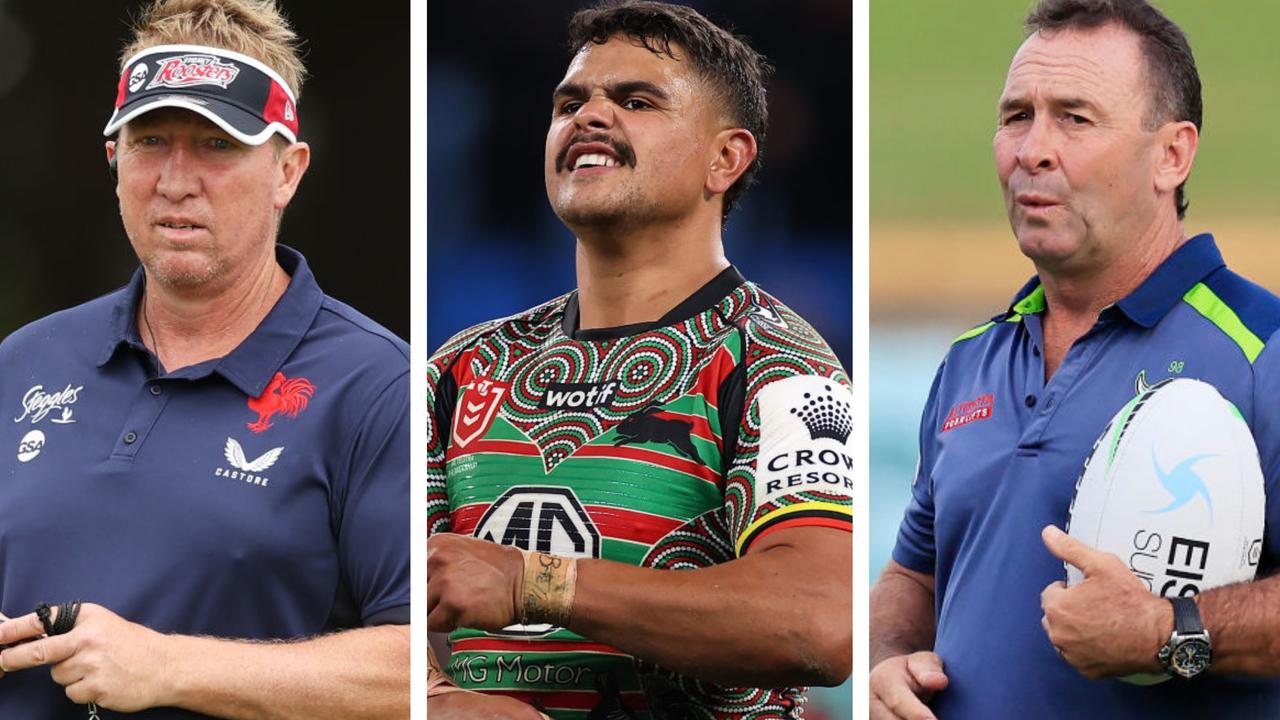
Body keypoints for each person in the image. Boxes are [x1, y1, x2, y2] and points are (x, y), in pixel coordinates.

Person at [425, 2, 853, 718]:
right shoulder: (459, 368)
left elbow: (819, 619)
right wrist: (433, 698)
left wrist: (538, 584)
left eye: (635, 100)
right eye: (570, 102)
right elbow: (370, 601)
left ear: (728, 158)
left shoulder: (778, 361)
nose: (587, 117)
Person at [869, 0, 1280, 718]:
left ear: (1172, 155)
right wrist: (885, 660)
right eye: (1016, 115)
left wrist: (1167, 630)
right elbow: (913, 578)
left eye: (1075, 118)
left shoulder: (1262, 349)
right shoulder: (971, 360)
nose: (1032, 149)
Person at [0, 1, 409, 717]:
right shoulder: (27, 360)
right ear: (114, 159)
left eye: (219, 144)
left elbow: (419, 671)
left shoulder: (377, 386)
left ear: (288, 170)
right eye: (151, 139)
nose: (176, 179)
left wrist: (170, 667)